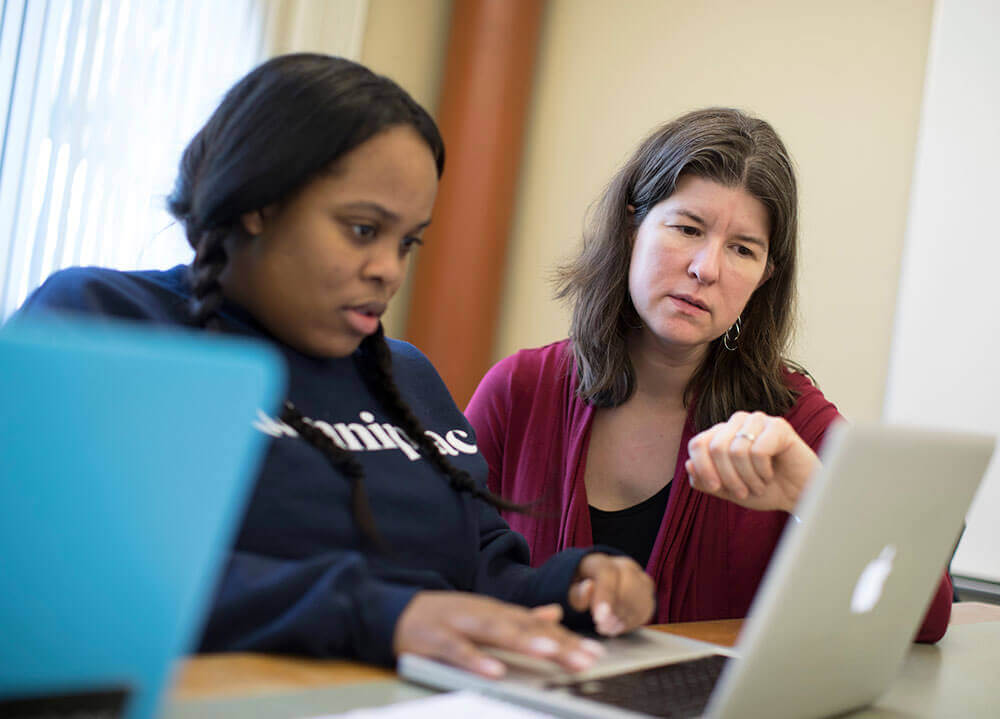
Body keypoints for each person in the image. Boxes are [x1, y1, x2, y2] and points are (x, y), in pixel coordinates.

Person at [11, 53, 656, 676]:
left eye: (407, 241)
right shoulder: (107, 320)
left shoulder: (405, 377)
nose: (389, 269)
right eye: (360, 229)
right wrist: (378, 615)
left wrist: (574, 585)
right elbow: (66, 567)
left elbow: (478, 571)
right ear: (258, 205)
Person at [465, 108, 952, 642]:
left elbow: (927, 617)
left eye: (742, 249)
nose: (707, 268)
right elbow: (434, 570)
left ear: (764, 278)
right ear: (633, 228)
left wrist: (810, 493)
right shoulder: (520, 389)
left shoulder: (788, 416)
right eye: (687, 228)